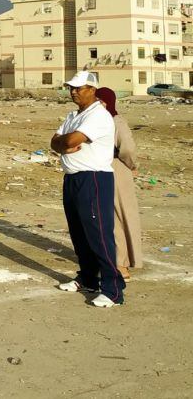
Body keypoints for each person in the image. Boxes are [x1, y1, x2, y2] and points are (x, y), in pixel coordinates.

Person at [51, 71, 125, 307]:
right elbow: (55, 141)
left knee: (99, 234)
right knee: (79, 233)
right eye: (71, 87)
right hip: (72, 178)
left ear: (92, 89)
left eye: (79, 88)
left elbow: (70, 141)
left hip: (93, 178)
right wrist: (62, 144)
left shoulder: (99, 116)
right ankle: (88, 278)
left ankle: (113, 288)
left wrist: (64, 143)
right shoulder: (73, 115)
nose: (73, 91)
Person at [96, 87, 142, 279]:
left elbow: (127, 149)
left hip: (116, 168)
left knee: (119, 216)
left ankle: (121, 263)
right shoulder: (95, 121)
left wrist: (132, 165)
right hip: (98, 167)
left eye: (100, 101)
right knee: (104, 216)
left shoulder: (116, 121)